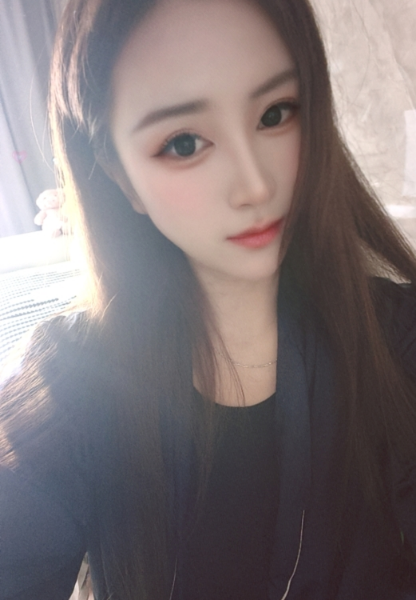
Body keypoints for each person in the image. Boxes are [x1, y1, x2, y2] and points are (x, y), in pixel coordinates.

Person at [1, 0, 416, 599]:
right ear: (118, 176)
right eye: (184, 143)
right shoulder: (72, 382)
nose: (255, 185)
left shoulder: (395, 337)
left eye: (275, 113)